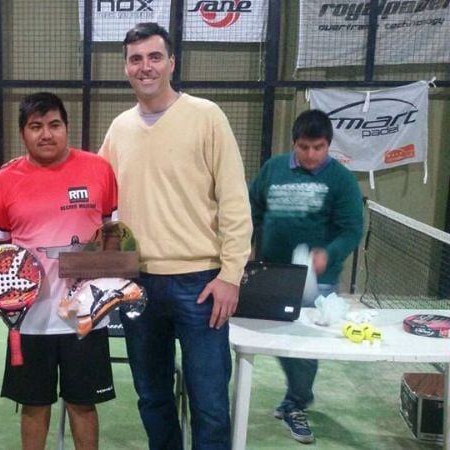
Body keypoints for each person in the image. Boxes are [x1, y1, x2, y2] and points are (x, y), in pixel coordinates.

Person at [98, 22, 253, 449]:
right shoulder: (119, 129)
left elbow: (235, 202)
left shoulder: (207, 117)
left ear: (171, 63)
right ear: (126, 68)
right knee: (152, 398)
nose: (145, 67)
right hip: (138, 286)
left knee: (210, 404)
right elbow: (96, 197)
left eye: (154, 57)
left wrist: (230, 276)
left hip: (201, 285)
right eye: (135, 59)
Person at [0, 92, 118, 450]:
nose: (46, 134)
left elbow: (113, 236)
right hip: (30, 319)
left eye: (54, 125)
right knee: (33, 406)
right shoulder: (5, 178)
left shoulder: (99, 169)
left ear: (66, 128)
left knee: (83, 405)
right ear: (22, 133)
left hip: (84, 316)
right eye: (36, 126)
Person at [249, 109, 363, 444]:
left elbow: (352, 230)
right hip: (273, 271)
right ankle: (297, 395)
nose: (311, 154)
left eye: (318, 147)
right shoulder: (273, 170)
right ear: (293, 143)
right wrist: (247, 246)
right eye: (304, 147)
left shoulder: (341, 179)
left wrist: (329, 254)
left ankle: (296, 402)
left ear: (328, 145)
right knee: (276, 337)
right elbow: (252, 210)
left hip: (317, 280)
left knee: (302, 343)